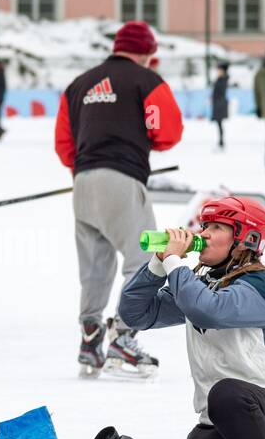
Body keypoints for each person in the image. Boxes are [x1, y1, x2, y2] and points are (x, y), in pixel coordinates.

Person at [119, 197, 265, 439]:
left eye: (217, 227)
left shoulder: (259, 284)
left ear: (246, 239)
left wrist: (175, 263)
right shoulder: (199, 283)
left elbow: (208, 310)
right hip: (220, 423)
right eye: (204, 225)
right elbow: (135, 313)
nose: (203, 234)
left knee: (227, 392)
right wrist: (158, 262)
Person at [55, 20, 183, 378]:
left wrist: (89, 169)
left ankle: (90, 337)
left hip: (83, 182)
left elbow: (65, 144)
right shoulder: (147, 81)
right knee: (145, 256)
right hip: (123, 180)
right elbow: (168, 132)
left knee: (95, 267)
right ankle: (124, 337)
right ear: (147, 53)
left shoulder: (78, 85)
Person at [210, 61, 229, 149]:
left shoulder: (223, 80)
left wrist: (215, 100)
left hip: (220, 104)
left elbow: (220, 92)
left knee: (220, 123)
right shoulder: (220, 79)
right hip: (217, 103)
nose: (218, 71)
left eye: (219, 70)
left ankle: (221, 142)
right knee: (219, 123)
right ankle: (221, 141)